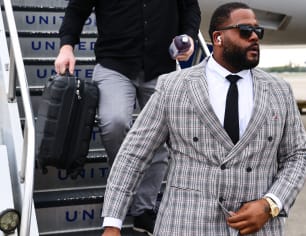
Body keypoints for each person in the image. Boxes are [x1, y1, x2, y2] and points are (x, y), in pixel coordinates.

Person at [102, 2, 306, 235]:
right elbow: (133, 155)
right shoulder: (174, 87)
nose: (254, 37)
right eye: (245, 31)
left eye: (257, 31)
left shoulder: (279, 90)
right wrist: (112, 224)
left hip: (257, 229)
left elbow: (297, 156)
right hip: (185, 225)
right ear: (218, 38)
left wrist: (271, 203)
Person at [54, 0, 201, 234]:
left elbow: (190, 7)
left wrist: (190, 36)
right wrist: (66, 46)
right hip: (115, 64)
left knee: (160, 138)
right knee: (114, 122)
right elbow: (76, 9)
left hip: (161, 67)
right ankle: (123, 186)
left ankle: (144, 209)